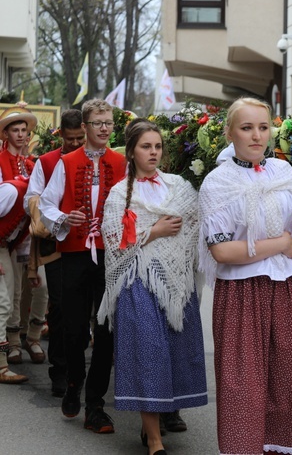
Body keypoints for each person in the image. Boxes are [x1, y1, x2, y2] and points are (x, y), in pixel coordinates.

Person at [199, 97, 292, 455]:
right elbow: (222, 251)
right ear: (230, 132)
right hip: (240, 294)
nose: (257, 135)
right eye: (247, 128)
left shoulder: (286, 175)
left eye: (263, 127)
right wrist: (279, 242)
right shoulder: (217, 183)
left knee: (291, 383)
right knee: (243, 388)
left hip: (287, 290)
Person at [99, 119, 207, 455]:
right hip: (138, 283)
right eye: (146, 147)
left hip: (175, 284)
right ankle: (154, 440)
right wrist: (153, 232)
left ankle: (158, 424)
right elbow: (115, 240)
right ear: (131, 151)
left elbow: (195, 222)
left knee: (172, 353)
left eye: (157, 146)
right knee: (148, 354)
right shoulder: (120, 193)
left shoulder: (178, 186)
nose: (153, 152)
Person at [40, 99, 126, 433]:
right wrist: (64, 217)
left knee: (105, 332)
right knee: (74, 331)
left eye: (109, 123)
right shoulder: (67, 162)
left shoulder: (121, 162)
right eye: (98, 123)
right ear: (86, 127)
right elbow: (46, 203)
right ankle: (74, 381)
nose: (104, 128)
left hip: (110, 255)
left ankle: (96, 406)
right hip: (75, 253)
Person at [24, 109, 86, 396]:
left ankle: (78, 368)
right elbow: (30, 200)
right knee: (60, 307)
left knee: (84, 310)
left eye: (80, 138)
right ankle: (59, 371)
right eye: (70, 138)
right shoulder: (47, 162)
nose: (75, 144)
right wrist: (52, 215)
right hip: (57, 246)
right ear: (60, 134)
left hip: (88, 244)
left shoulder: (96, 159)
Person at [0, 106, 40, 370]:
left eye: (24, 130)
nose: (20, 135)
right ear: (5, 134)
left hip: (21, 236)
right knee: (7, 297)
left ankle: (23, 340)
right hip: (3, 237)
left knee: (24, 291)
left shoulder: (31, 164)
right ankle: (8, 350)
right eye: (15, 130)